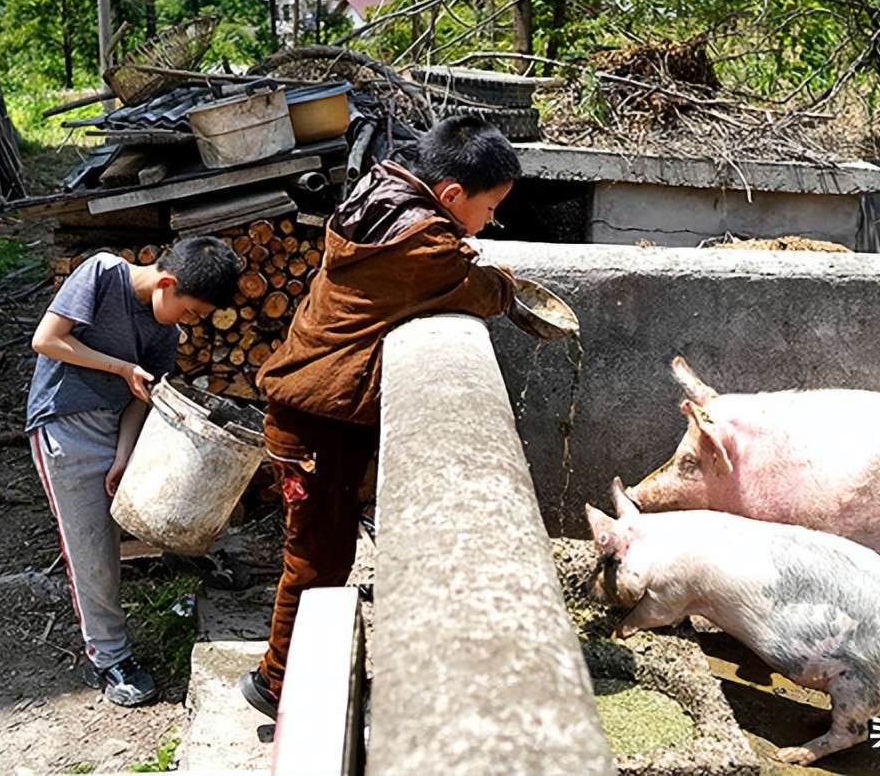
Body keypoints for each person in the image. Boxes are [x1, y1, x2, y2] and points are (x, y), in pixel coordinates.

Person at [240, 115, 521, 717]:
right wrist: (497, 279)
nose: (491, 221)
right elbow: (479, 292)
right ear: (450, 196)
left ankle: (286, 670)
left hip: (311, 408)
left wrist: (456, 247)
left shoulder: (381, 192)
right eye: (490, 207)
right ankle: (275, 682)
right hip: (315, 421)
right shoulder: (421, 244)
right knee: (316, 557)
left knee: (327, 547)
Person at [26, 237, 240, 707]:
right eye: (189, 312)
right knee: (92, 548)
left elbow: (139, 401)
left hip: (114, 429)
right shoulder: (102, 271)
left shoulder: (166, 334)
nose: (189, 324)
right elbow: (46, 339)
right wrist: (120, 366)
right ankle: (108, 656)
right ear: (167, 282)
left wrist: (125, 456)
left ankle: (181, 557)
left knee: (171, 495)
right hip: (66, 427)